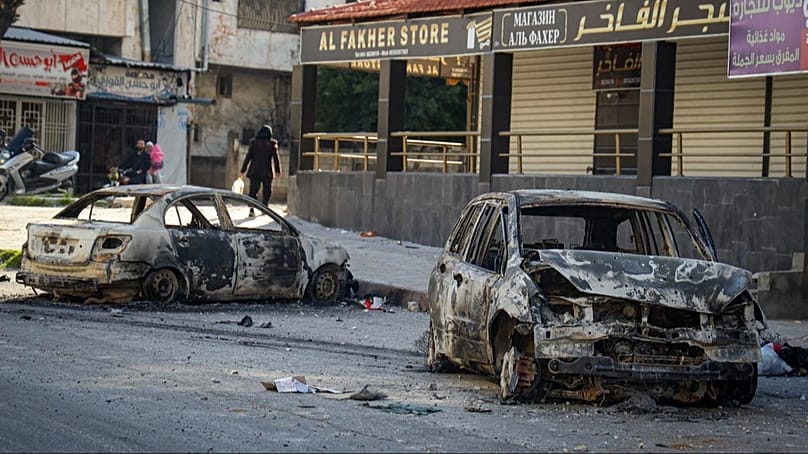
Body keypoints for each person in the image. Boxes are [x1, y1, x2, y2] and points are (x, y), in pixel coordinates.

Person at [240, 125, 281, 214]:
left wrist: (243, 170)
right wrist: (278, 170)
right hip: (267, 172)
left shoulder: (254, 143)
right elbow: (276, 158)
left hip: (255, 170)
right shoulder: (272, 144)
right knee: (267, 191)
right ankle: (265, 207)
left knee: (253, 191)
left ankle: (251, 209)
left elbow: (248, 157)